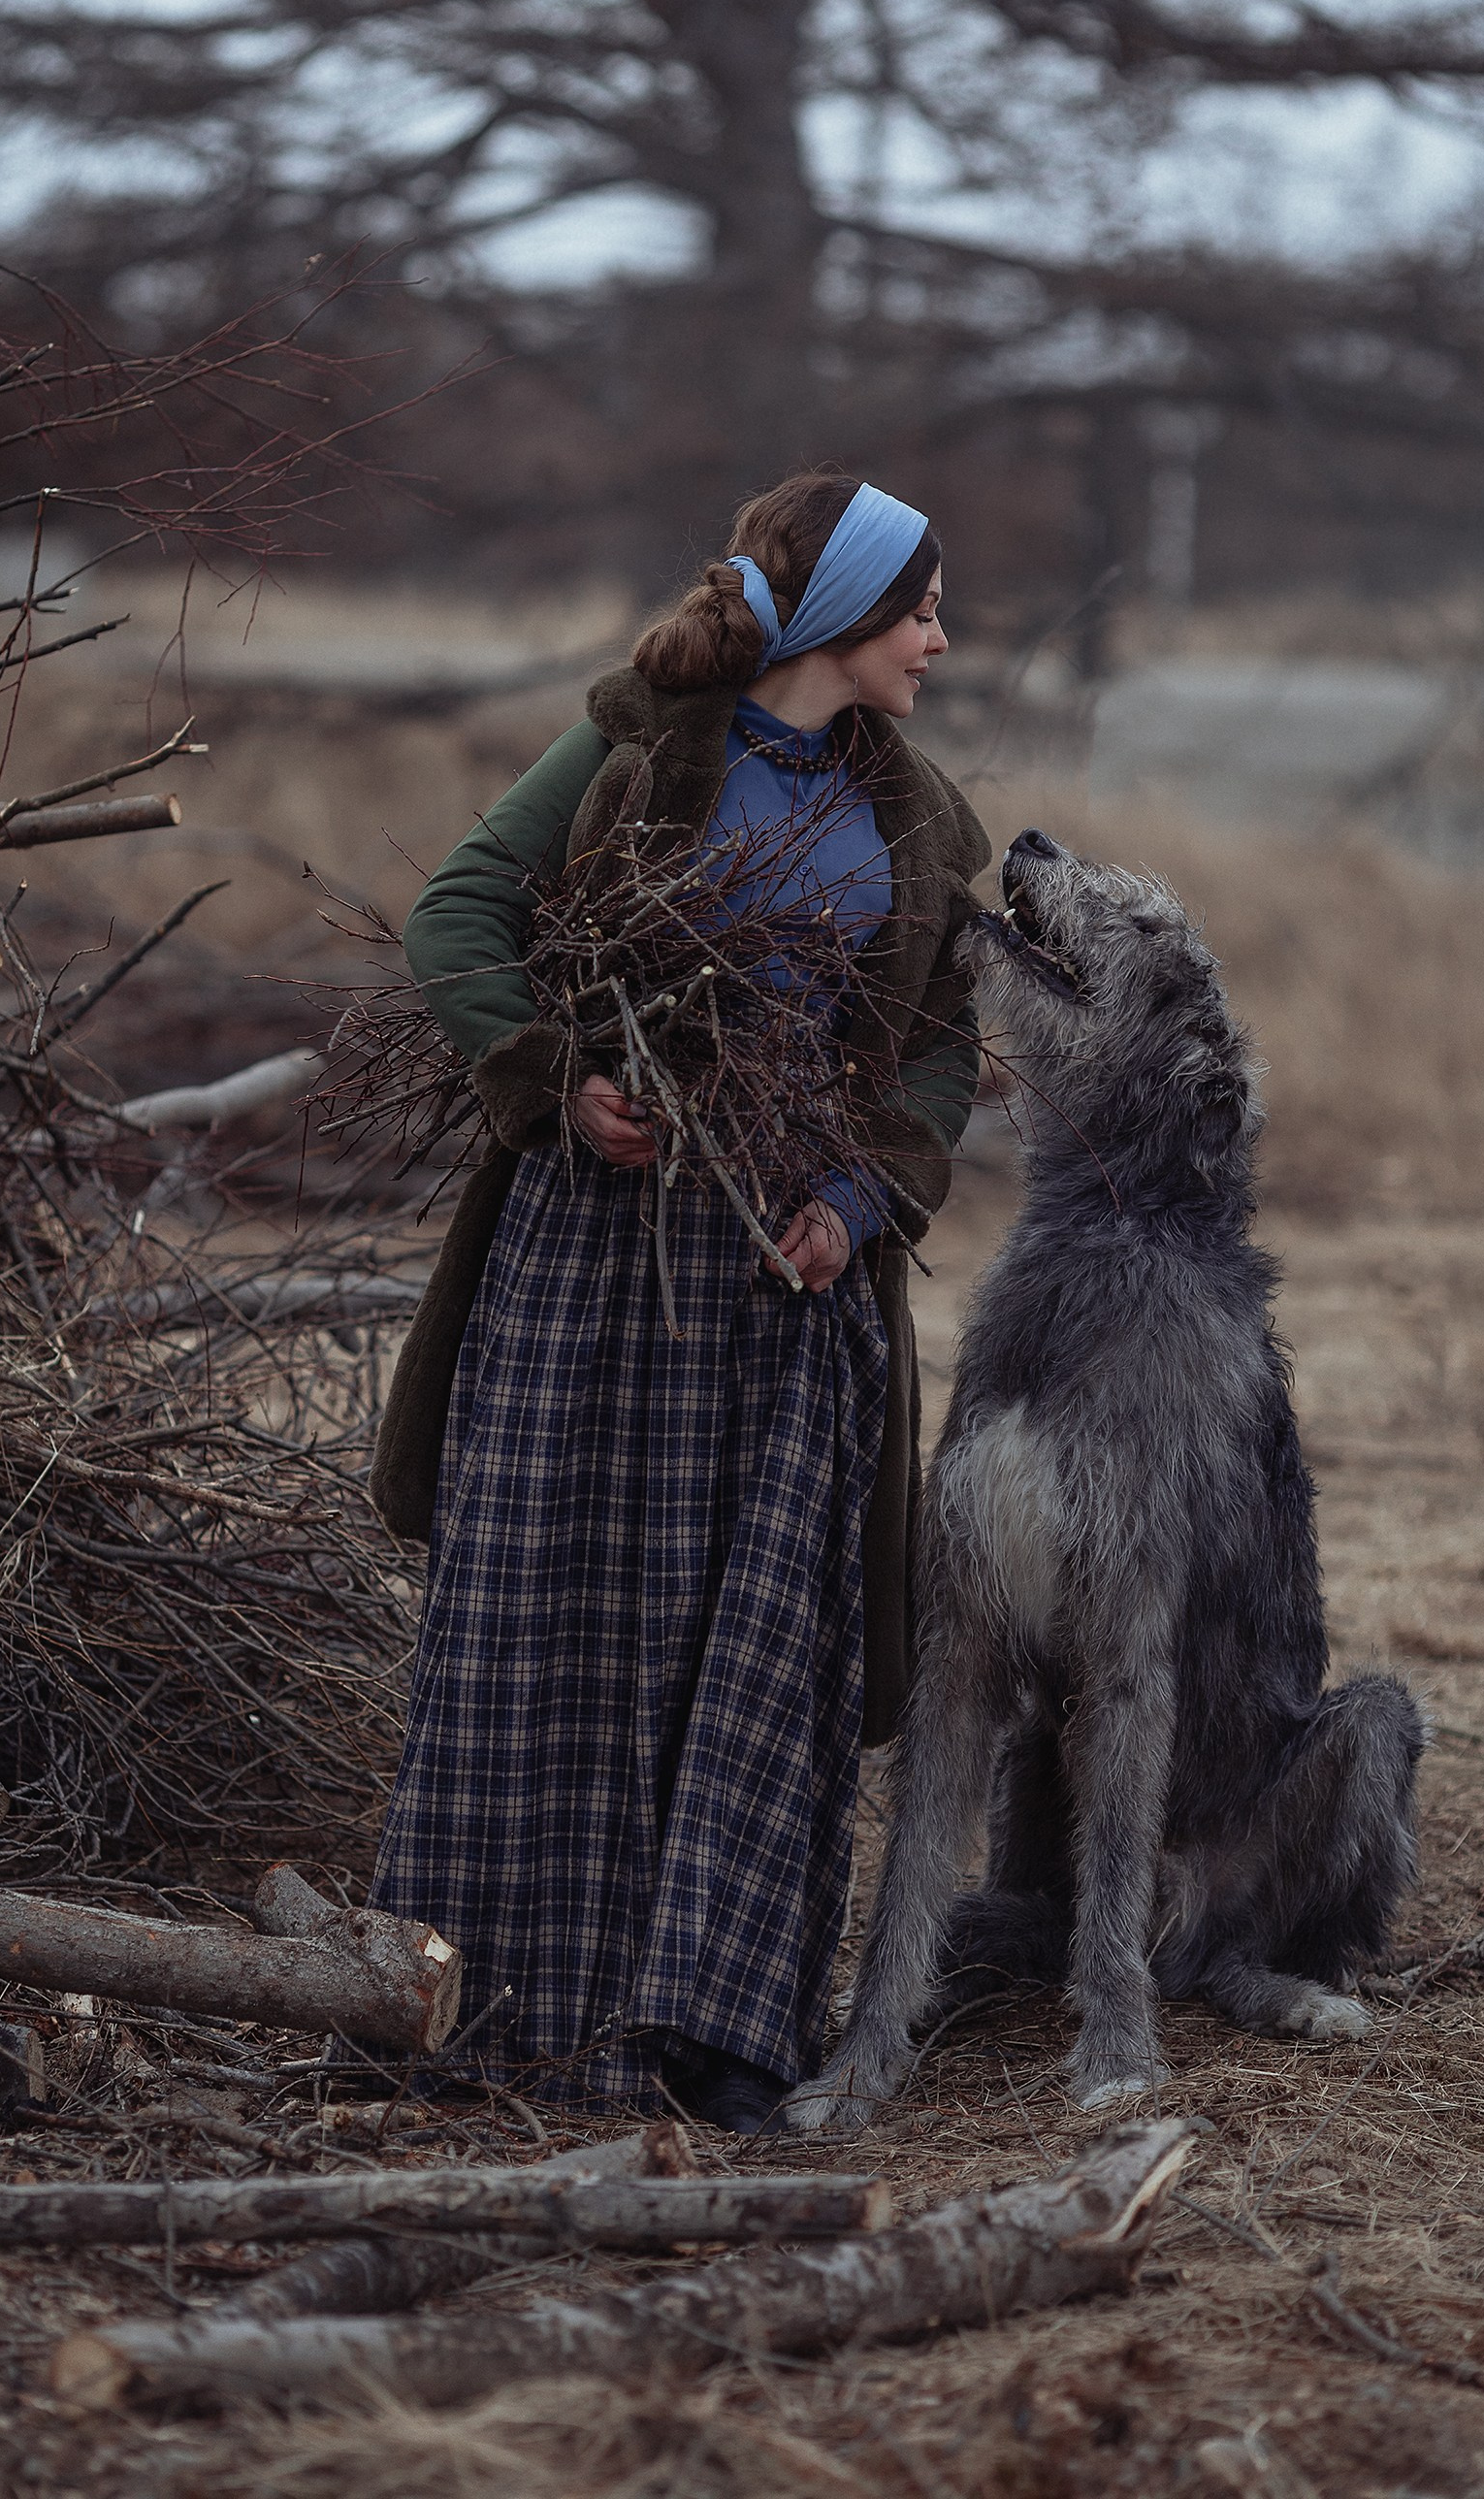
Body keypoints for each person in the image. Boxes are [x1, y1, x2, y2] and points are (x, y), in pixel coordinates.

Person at [365, 471, 990, 2127]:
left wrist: (859, 1200)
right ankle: (494, 2012)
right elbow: (458, 915)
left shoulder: (923, 817)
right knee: (553, 1626)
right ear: (846, 614)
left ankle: (717, 2032)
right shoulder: (639, 751)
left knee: (766, 1646)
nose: (941, 636)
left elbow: (935, 1043)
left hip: (793, 1297)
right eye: (920, 605)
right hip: (600, 1264)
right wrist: (563, 1075)